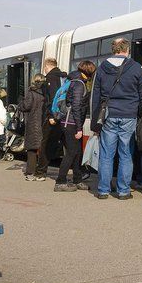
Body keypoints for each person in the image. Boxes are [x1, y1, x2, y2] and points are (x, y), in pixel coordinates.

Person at [89, 38, 142, 200]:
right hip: (129, 116)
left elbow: (94, 97)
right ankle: (123, 191)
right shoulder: (137, 68)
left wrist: (95, 122)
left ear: (113, 49)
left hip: (108, 116)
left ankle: (103, 190)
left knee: (106, 155)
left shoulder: (101, 68)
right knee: (126, 154)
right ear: (127, 49)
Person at [54, 60, 95, 192]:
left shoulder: (76, 81)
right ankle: (60, 181)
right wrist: (78, 128)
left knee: (77, 152)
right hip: (70, 123)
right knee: (71, 152)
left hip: (71, 121)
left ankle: (77, 179)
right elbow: (76, 107)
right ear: (88, 71)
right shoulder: (79, 84)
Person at [36, 58, 65, 179]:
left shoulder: (50, 79)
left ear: (46, 66)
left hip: (53, 117)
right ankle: (77, 174)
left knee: (46, 144)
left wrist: (51, 115)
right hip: (66, 116)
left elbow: (52, 98)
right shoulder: (64, 77)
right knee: (69, 145)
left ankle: (41, 172)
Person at [18, 74, 47, 181]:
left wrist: (20, 102)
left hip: (33, 123)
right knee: (43, 148)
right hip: (44, 123)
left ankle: (30, 172)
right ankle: (42, 172)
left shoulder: (31, 93)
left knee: (31, 149)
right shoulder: (46, 93)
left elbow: (26, 106)